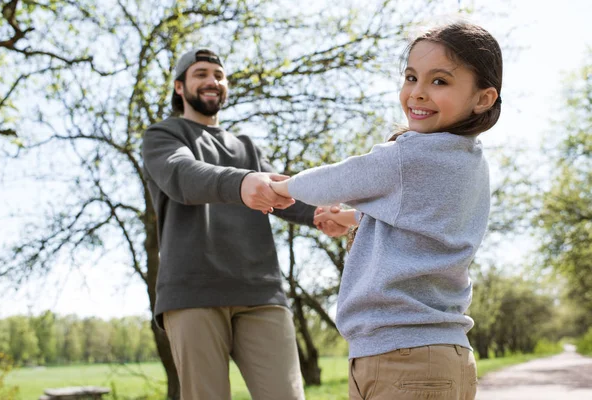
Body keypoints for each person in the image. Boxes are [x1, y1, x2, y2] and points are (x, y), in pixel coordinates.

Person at [271, 21, 502, 400]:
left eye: (439, 81)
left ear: (483, 98)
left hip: (404, 358)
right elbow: (423, 225)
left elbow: (338, 180)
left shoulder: (412, 155)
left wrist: (278, 188)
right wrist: (350, 220)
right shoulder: (468, 160)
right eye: (411, 77)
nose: (417, 93)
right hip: (433, 354)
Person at [141, 48, 346, 400]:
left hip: (261, 292)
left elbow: (281, 192)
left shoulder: (246, 146)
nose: (212, 81)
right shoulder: (163, 136)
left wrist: (319, 212)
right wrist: (241, 183)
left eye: (218, 75)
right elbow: (183, 175)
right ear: (179, 87)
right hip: (193, 293)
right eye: (201, 73)